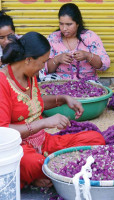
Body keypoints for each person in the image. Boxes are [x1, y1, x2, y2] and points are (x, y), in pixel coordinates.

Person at [0, 32, 105, 188]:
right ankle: (40, 172)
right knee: (35, 163)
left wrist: (63, 99)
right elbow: (3, 132)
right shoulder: (3, 82)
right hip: (18, 149)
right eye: (43, 62)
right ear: (28, 60)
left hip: (43, 142)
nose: (44, 67)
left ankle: (45, 172)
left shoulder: (29, 73)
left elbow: (33, 103)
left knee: (95, 139)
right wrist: (45, 123)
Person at [39, 3, 110, 81]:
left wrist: (87, 56)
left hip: (87, 81)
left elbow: (104, 65)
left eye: (69, 24)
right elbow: (44, 69)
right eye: (61, 24)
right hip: (60, 81)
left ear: (77, 23)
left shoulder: (90, 37)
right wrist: (57, 59)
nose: (64, 28)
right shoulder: (53, 38)